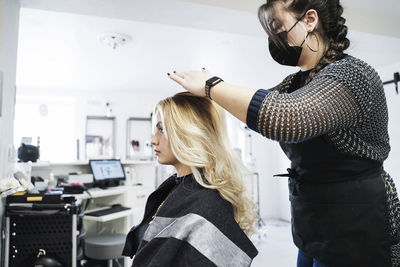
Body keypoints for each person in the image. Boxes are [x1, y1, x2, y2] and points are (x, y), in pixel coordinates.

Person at [167, 0, 400, 266]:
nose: (273, 38)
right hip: (312, 224)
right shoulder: (293, 84)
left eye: (277, 27)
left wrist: (212, 85)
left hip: (357, 226)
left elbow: (285, 117)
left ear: (310, 20)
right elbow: (255, 111)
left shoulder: (353, 75)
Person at [122, 92, 258, 266]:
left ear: (188, 133)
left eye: (161, 129)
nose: (152, 140)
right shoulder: (177, 185)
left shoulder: (207, 203)